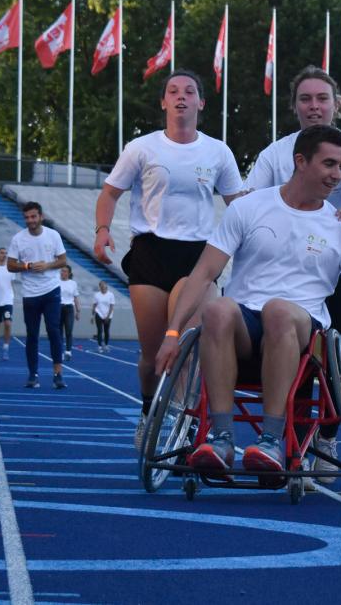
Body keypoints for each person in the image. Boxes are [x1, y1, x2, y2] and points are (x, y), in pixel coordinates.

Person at [156, 125, 341, 473]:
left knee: (278, 311)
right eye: (329, 164)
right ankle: (222, 438)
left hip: (301, 328)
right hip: (243, 325)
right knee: (217, 309)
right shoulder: (249, 207)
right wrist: (172, 333)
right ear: (300, 162)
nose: (338, 176)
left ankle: (271, 440)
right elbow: (204, 273)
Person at [93, 69, 243, 444]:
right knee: (151, 355)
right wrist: (102, 231)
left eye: (189, 92)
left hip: (197, 256)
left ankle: (182, 419)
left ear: (200, 103)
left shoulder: (217, 151)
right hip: (150, 252)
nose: (181, 97)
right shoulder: (142, 148)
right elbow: (110, 193)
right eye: (173, 91)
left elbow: (238, 205)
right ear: (163, 102)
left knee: (188, 345)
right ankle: (148, 409)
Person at [246, 66, 341, 463]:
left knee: (337, 348)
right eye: (305, 99)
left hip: (337, 258)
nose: (314, 106)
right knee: (295, 348)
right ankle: (293, 433)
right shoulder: (277, 152)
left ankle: (327, 434)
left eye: (322, 98)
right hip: (288, 264)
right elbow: (250, 200)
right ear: (294, 107)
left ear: (336, 105)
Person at [7, 201, 67, 389]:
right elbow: (10, 264)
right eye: (27, 217)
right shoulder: (18, 239)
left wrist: (47, 265)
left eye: (33, 216)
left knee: (53, 330)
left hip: (51, 290)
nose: (30, 220)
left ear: (41, 216)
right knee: (32, 334)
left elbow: (63, 260)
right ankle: (33, 374)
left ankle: (58, 374)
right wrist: (28, 266)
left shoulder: (53, 235)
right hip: (30, 293)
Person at [58, 265, 80, 361]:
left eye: (65, 271)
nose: (63, 273)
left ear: (69, 273)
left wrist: (78, 311)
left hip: (69, 308)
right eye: (62, 271)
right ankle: (59, 351)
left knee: (69, 329)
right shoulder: (56, 282)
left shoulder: (73, 283)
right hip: (58, 307)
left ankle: (68, 351)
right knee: (59, 331)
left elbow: (75, 298)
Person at [91, 280, 116, 353]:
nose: (102, 286)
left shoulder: (111, 295)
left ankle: (106, 345)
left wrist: (108, 316)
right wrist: (92, 316)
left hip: (108, 315)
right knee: (99, 330)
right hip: (99, 313)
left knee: (106, 331)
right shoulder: (97, 295)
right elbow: (94, 305)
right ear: (99, 286)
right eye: (101, 285)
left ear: (106, 286)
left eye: (103, 285)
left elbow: (111, 306)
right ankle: (99, 346)